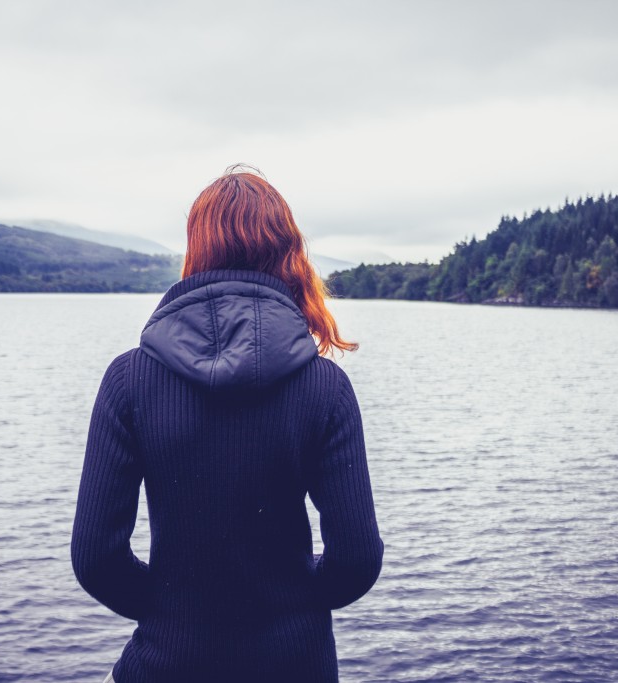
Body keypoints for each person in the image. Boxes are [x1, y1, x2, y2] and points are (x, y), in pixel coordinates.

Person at [71, 165, 384, 683]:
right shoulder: (326, 387)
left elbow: (95, 557)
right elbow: (356, 559)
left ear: (196, 251)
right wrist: (292, 607)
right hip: (296, 666)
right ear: (287, 254)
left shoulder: (128, 380)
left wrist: (172, 611)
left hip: (168, 663)